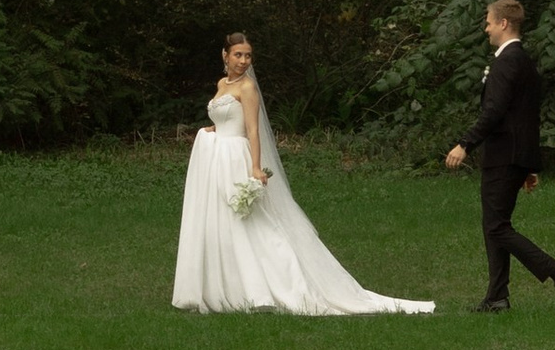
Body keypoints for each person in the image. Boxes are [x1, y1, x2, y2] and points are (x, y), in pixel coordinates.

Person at [174, 32, 434, 315]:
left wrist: (256, 167)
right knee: (224, 222)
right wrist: (214, 128)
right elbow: (227, 117)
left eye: (248, 55)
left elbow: (252, 130)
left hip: (237, 157)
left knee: (251, 222)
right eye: (238, 55)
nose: (244, 61)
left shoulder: (248, 87)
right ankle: (227, 285)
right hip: (218, 159)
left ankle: (273, 284)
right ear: (225, 55)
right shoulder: (222, 84)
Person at [443, 0, 555, 313]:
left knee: (496, 228)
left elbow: (494, 112)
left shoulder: (507, 62)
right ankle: (497, 297)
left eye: (489, 22)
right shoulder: (523, 60)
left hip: (504, 155)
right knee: (495, 225)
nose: (486, 28)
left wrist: (465, 144)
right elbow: (525, 115)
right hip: (514, 156)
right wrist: (527, 164)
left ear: (503, 23)